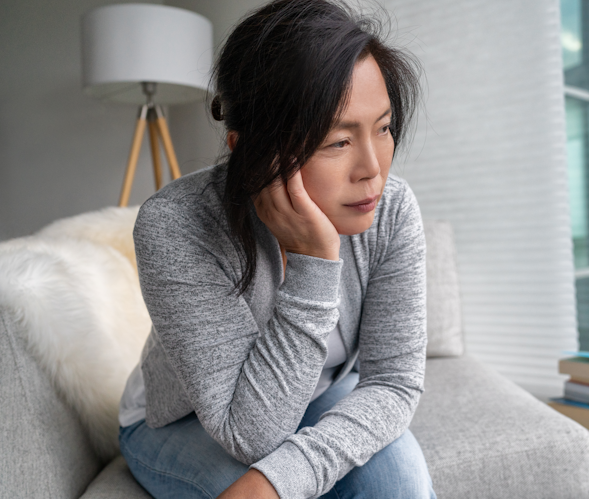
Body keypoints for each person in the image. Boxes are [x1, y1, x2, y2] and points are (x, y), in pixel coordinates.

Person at [117, 0, 435, 498]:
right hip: (189, 422)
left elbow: (393, 383)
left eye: (384, 127)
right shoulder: (174, 225)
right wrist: (315, 262)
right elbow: (249, 434)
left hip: (323, 397)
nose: (373, 168)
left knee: (399, 485)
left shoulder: (391, 208)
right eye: (337, 141)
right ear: (250, 147)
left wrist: (282, 476)